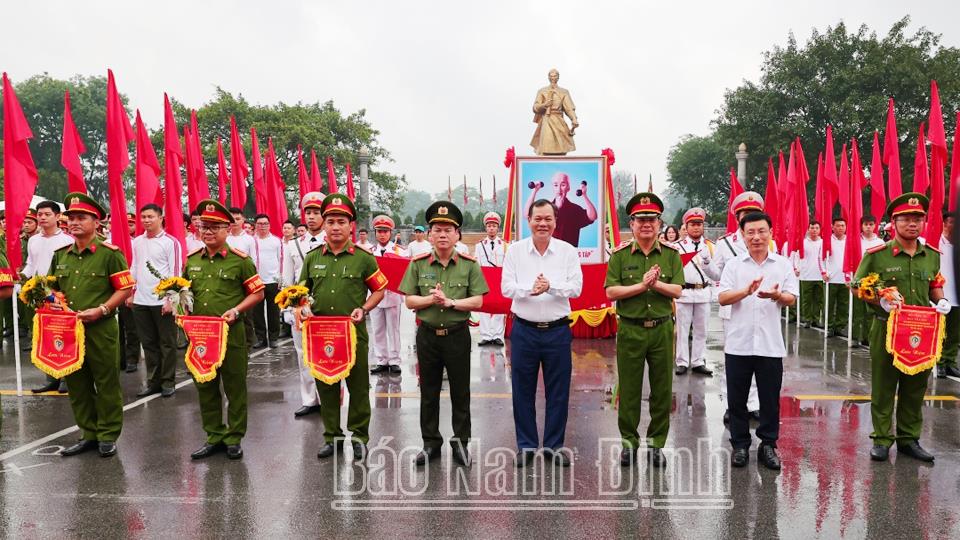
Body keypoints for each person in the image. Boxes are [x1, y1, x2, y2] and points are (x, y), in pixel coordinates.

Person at [855, 193, 948, 463]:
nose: (913, 224)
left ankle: (909, 439)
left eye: (918, 219)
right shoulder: (877, 255)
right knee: (884, 386)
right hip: (887, 329)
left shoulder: (930, 255)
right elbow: (858, 286)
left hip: (921, 331)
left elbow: (935, 283)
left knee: (915, 386)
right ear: (893, 222)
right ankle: (882, 439)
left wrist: (941, 300)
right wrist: (879, 300)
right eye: (906, 219)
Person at [400, 201, 488, 467]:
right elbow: (410, 301)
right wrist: (431, 300)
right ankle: (430, 443)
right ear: (429, 234)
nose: (442, 234)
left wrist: (451, 303)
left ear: (457, 234)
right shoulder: (417, 264)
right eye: (437, 229)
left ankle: (461, 443)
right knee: (428, 391)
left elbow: (478, 302)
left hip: (457, 335)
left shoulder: (469, 265)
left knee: (461, 392)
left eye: (448, 229)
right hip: (427, 336)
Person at [302, 195, 387, 461]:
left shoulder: (363, 258)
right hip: (320, 336)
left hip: (353, 334)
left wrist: (365, 308)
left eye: (341, 221)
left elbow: (380, 289)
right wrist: (301, 308)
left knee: (359, 387)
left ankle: (360, 437)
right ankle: (332, 437)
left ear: (351, 225)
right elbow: (300, 292)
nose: (335, 226)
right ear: (324, 226)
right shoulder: (312, 258)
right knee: (326, 386)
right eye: (330, 221)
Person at [53, 192, 135, 458]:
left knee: (106, 381)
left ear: (96, 222)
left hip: (100, 328)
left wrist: (102, 309)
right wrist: (52, 300)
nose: (74, 222)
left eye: (81, 218)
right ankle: (88, 432)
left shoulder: (109, 254)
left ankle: (108, 434)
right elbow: (53, 289)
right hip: (69, 331)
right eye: (71, 218)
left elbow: (125, 288)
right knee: (77, 383)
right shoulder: (60, 255)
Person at [605, 192, 683, 468]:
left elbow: (677, 290)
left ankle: (656, 445)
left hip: (661, 329)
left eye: (651, 219)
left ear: (660, 223)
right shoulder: (620, 255)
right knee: (629, 389)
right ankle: (629, 443)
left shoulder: (672, 255)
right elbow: (612, 291)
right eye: (640, 220)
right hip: (631, 329)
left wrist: (656, 285)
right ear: (632, 223)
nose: (646, 224)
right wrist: (642, 286)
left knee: (662, 390)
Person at [502, 199, 582, 467]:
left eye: (548, 219)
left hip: (557, 331)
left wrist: (551, 287)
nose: (543, 224)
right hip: (524, 329)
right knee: (521, 390)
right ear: (529, 220)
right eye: (538, 218)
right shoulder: (515, 251)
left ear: (555, 222)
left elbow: (576, 288)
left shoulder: (567, 251)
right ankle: (526, 445)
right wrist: (530, 290)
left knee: (558, 391)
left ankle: (553, 445)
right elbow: (507, 288)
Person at [184, 199, 265, 460]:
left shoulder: (240, 261)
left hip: (231, 334)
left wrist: (237, 310)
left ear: (227, 229)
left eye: (214, 227)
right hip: (200, 336)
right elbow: (184, 292)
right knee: (205, 386)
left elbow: (258, 293)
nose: (207, 232)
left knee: (234, 386)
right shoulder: (192, 260)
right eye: (204, 227)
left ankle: (234, 437)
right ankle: (214, 435)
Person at [718, 212, 798, 470]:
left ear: (770, 232)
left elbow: (791, 298)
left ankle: (768, 445)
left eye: (761, 231)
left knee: (769, 398)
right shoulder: (734, 266)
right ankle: (740, 445)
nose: (756, 237)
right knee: (737, 399)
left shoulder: (782, 265)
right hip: (738, 343)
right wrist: (746, 291)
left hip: (769, 344)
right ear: (742, 235)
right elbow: (722, 297)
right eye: (750, 232)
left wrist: (777, 295)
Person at [702, 191, 768, 422]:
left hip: (761, 307)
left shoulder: (770, 241)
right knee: (733, 358)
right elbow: (716, 274)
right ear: (737, 217)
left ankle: (754, 403)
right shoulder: (725, 244)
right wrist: (706, 263)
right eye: (744, 214)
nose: (748, 217)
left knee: (759, 356)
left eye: (753, 213)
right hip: (733, 307)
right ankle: (733, 403)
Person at [281, 192, 327, 418]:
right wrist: (287, 308)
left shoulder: (332, 239)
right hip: (299, 305)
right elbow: (287, 278)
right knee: (303, 353)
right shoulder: (293, 245)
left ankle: (329, 397)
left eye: (316, 213)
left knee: (327, 352)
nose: (311, 217)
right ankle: (310, 399)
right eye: (308, 212)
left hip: (326, 304)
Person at [129, 203, 182, 398]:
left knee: (166, 343)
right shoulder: (137, 242)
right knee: (148, 343)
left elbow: (175, 273)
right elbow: (134, 267)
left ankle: (168, 381)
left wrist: (171, 299)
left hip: (162, 301)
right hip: (141, 301)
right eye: (143, 217)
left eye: (150, 217)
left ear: (160, 218)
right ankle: (153, 381)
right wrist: (130, 292)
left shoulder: (170, 242)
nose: (146, 221)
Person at [23, 201, 75, 393]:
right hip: (38, 294)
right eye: (39, 214)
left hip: (59, 294)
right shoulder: (33, 240)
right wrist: (20, 277)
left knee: (63, 336)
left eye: (46, 214)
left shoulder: (67, 240)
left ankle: (67, 378)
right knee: (44, 337)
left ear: (57, 216)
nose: (42, 218)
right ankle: (51, 376)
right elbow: (31, 264)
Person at [673, 208, 714, 376]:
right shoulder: (677, 247)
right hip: (685, 292)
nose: (696, 228)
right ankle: (682, 361)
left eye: (699, 224)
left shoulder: (711, 246)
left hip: (703, 292)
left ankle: (698, 361)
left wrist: (707, 260)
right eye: (692, 224)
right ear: (686, 226)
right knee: (682, 330)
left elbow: (716, 272)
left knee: (701, 329)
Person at [368, 215, 406, 374]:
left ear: (390, 233)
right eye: (379, 231)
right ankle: (381, 360)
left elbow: (403, 273)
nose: (382, 234)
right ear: (375, 233)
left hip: (392, 295)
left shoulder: (399, 252)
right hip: (374, 296)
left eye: (385, 231)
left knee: (393, 329)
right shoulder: (370, 252)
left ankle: (395, 360)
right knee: (377, 329)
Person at [525, 172, 597, 247]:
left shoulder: (575, 210)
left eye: (563, 185)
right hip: (547, 255)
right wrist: (534, 191)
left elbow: (592, 216)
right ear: (552, 187)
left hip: (569, 256)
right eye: (555, 185)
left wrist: (584, 195)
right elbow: (527, 214)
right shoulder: (545, 208)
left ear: (568, 188)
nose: (559, 190)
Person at [226, 207, 257, 351]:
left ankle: (248, 345)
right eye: (232, 219)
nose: (234, 222)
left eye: (238, 219)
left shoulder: (250, 239)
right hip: (228, 282)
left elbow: (255, 261)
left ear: (243, 220)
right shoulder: (224, 237)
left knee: (247, 316)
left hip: (246, 281)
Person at [852, 216, 885, 347]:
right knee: (857, 310)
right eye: (865, 224)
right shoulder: (855, 240)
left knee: (871, 311)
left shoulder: (881, 242)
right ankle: (855, 336)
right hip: (858, 278)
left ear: (875, 226)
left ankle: (868, 337)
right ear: (861, 226)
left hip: (874, 280)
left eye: (871, 224)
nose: (868, 227)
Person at [251, 213, 283, 349]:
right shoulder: (251, 240)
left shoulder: (276, 241)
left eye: (265, 224)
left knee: (273, 312)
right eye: (260, 224)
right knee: (257, 313)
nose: (262, 226)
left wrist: (280, 277)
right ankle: (261, 338)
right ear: (255, 226)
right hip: (256, 281)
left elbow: (281, 259)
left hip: (272, 280)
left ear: (269, 225)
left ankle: (274, 337)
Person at [530, 68, 578, 156]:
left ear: (558, 77)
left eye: (555, 76)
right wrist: (544, 105)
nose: (553, 78)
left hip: (559, 120)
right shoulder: (542, 91)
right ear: (548, 77)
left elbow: (569, 108)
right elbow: (535, 107)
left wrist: (574, 119)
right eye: (551, 76)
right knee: (547, 146)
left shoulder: (564, 92)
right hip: (547, 120)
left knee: (562, 148)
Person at [475, 212, 507, 347]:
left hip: (499, 280)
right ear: (486, 228)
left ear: (498, 228)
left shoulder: (505, 245)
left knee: (499, 307)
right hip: (484, 279)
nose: (491, 228)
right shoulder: (479, 245)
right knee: (484, 307)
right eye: (489, 226)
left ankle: (498, 336)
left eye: (494, 226)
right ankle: (486, 336)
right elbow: (476, 263)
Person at [790, 222, 826, 328]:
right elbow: (796, 256)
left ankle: (816, 318)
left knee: (819, 299)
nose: (814, 230)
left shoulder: (823, 243)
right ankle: (807, 319)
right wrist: (796, 268)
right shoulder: (803, 242)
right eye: (812, 228)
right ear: (808, 229)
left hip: (820, 275)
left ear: (820, 230)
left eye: (816, 228)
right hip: (806, 275)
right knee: (806, 299)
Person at [937, 211, 958, 378]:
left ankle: (949, 361)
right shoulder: (936, 242)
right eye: (950, 222)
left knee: (954, 333)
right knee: (940, 331)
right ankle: (939, 362)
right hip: (941, 295)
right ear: (944, 224)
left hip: (957, 295)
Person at [823, 217, 849, 336]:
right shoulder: (827, 241)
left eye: (843, 226)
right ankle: (828, 326)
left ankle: (840, 326)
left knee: (843, 304)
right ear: (832, 227)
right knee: (829, 303)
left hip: (845, 278)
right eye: (838, 225)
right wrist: (824, 272)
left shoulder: (849, 240)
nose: (840, 228)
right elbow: (820, 258)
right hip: (831, 278)